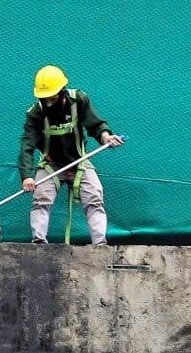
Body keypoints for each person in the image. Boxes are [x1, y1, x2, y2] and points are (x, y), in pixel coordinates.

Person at [18, 65, 125, 245]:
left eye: (52, 97)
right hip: (51, 165)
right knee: (41, 198)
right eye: (44, 98)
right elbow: (27, 145)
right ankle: (38, 243)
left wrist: (106, 136)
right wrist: (27, 176)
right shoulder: (36, 114)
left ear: (62, 91)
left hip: (80, 162)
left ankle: (100, 245)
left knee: (94, 197)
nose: (48, 102)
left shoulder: (78, 100)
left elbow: (95, 124)